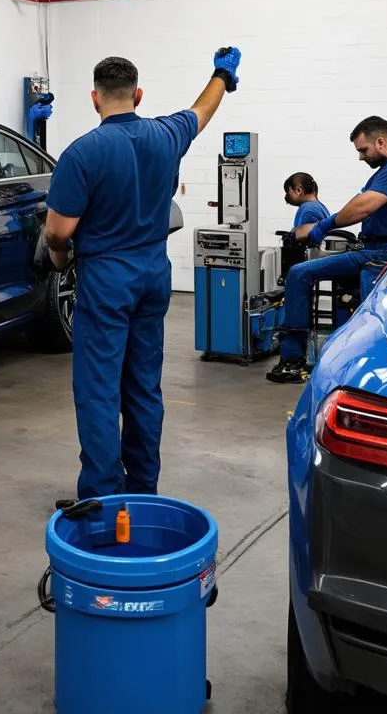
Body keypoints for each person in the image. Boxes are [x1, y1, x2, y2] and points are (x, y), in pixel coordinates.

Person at [45, 48, 242, 501]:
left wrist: (59, 261)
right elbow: (202, 110)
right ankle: (142, 489)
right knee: (143, 385)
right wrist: (221, 75)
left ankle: (100, 495)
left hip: (105, 278)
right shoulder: (167, 134)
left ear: (95, 99)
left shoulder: (81, 154)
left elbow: (58, 233)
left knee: (98, 389)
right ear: (138, 94)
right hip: (154, 274)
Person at [267, 116, 387, 385]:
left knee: (305, 276)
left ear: (381, 141)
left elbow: (362, 206)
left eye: (363, 150)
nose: (361, 157)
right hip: (372, 249)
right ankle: (297, 357)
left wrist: (320, 228)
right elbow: (359, 203)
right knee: (299, 273)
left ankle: (363, 369)